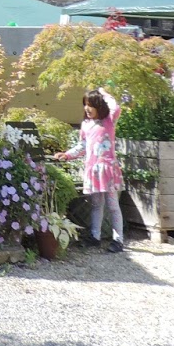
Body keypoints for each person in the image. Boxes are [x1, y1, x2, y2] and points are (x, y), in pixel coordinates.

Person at [55, 89, 125, 252]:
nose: (87, 108)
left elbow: (116, 107)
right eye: (85, 104)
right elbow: (83, 146)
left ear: (99, 106)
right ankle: (95, 237)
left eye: (91, 105)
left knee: (113, 205)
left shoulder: (108, 120)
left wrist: (104, 93)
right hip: (93, 170)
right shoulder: (86, 124)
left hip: (107, 170)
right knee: (96, 204)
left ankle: (118, 240)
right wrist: (67, 155)